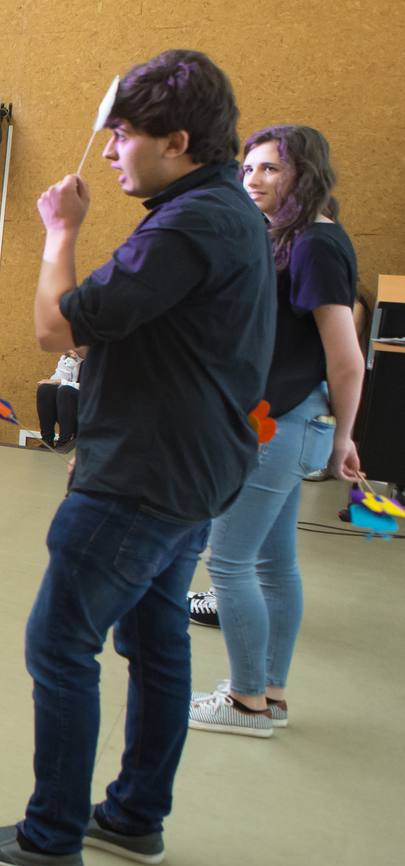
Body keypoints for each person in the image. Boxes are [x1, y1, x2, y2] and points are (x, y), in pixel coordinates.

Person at [0, 49, 275, 866]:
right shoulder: (225, 210)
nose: (114, 149)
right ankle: (134, 815)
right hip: (193, 470)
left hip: (144, 477)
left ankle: (51, 837)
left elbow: (56, 328)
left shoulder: (186, 224)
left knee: (59, 641)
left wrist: (57, 231)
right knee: (156, 637)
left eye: (125, 136)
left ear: (179, 140)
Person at [184, 125, 366, 737]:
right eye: (249, 168)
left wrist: (344, 438)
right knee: (274, 564)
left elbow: (345, 356)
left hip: (281, 426)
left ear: (303, 174)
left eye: (269, 169)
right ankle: (271, 694)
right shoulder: (293, 238)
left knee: (228, 564)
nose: (253, 179)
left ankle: (246, 703)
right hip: (289, 421)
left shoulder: (315, 244)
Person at [36, 350, 84, 448]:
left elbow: (92, 387)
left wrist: (62, 382)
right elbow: (55, 380)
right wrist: (72, 362)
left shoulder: (101, 357)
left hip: (94, 406)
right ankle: (47, 440)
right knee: (46, 389)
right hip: (69, 405)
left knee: (66, 391)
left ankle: (64, 442)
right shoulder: (70, 356)